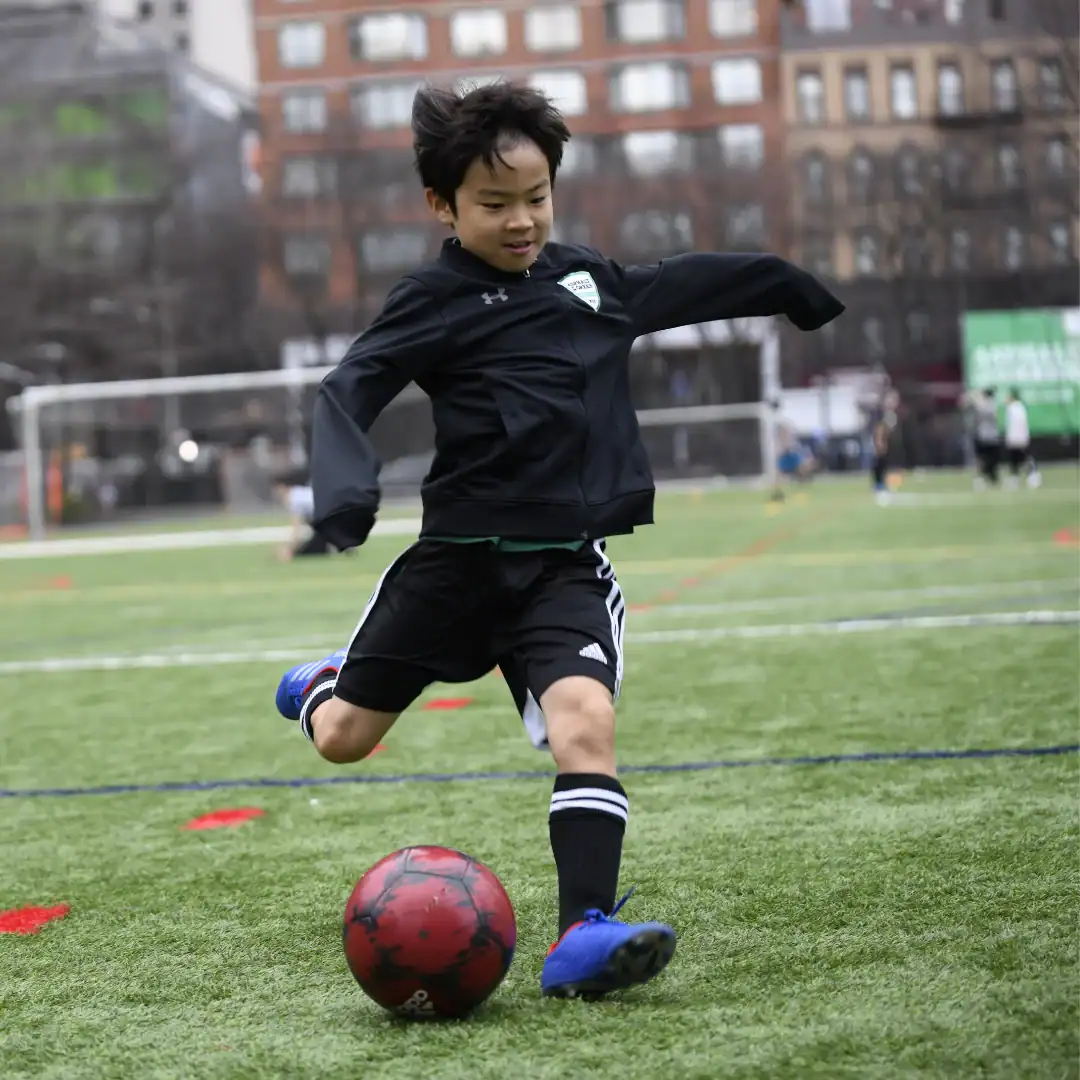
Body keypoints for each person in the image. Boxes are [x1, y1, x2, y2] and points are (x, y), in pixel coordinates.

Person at [273, 82, 845, 1000]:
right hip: (453, 569)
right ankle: (319, 686)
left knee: (586, 724)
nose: (522, 220)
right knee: (343, 739)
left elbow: (684, 284)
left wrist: (784, 282)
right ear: (442, 206)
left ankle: (583, 930)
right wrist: (341, 496)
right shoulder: (431, 297)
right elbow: (350, 388)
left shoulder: (586, 282)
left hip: (561, 568)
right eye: (494, 205)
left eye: (536, 197)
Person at [272, 469, 333, 561]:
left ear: (282, 487)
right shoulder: (300, 493)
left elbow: (296, 531)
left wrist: (290, 550)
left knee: (305, 553)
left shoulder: (293, 498)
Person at [1003, 388, 1041, 488]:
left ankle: (1033, 475)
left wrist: (1015, 437)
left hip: (1018, 438)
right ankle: (1016, 479)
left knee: (1023, 458)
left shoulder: (1015, 408)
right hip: (1017, 438)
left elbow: (1016, 425)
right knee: (1015, 460)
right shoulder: (1016, 408)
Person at [972, 388, 1002, 488]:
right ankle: (989, 477)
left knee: (987, 459)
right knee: (987, 459)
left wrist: (976, 399)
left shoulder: (989, 405)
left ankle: (988, 476)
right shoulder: (990, 405)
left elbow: (982, 412)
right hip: (988, 436)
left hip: (988, 436)